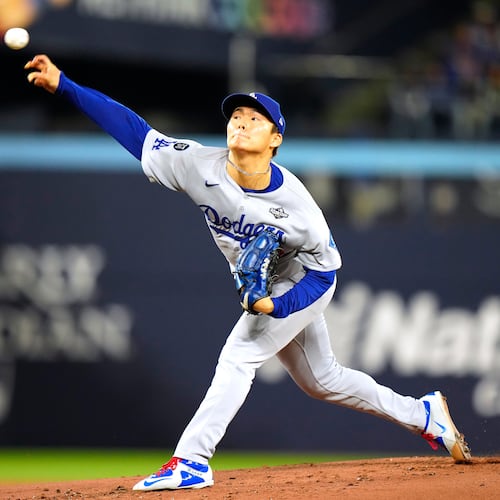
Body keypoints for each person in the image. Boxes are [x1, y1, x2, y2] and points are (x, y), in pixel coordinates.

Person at [24, 54, 471, 491]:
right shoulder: (198, 164)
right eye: (236, 114)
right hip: (267, 283)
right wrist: (65, 85)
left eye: (254, 118)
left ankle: (192, 460)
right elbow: (134, 131)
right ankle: (422, 414)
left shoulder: (300, 209)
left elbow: (323, 276)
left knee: (240, 355)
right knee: (323, 380)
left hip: (303, 282)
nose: (241, 121)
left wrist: (275, 305)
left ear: (276, 138)